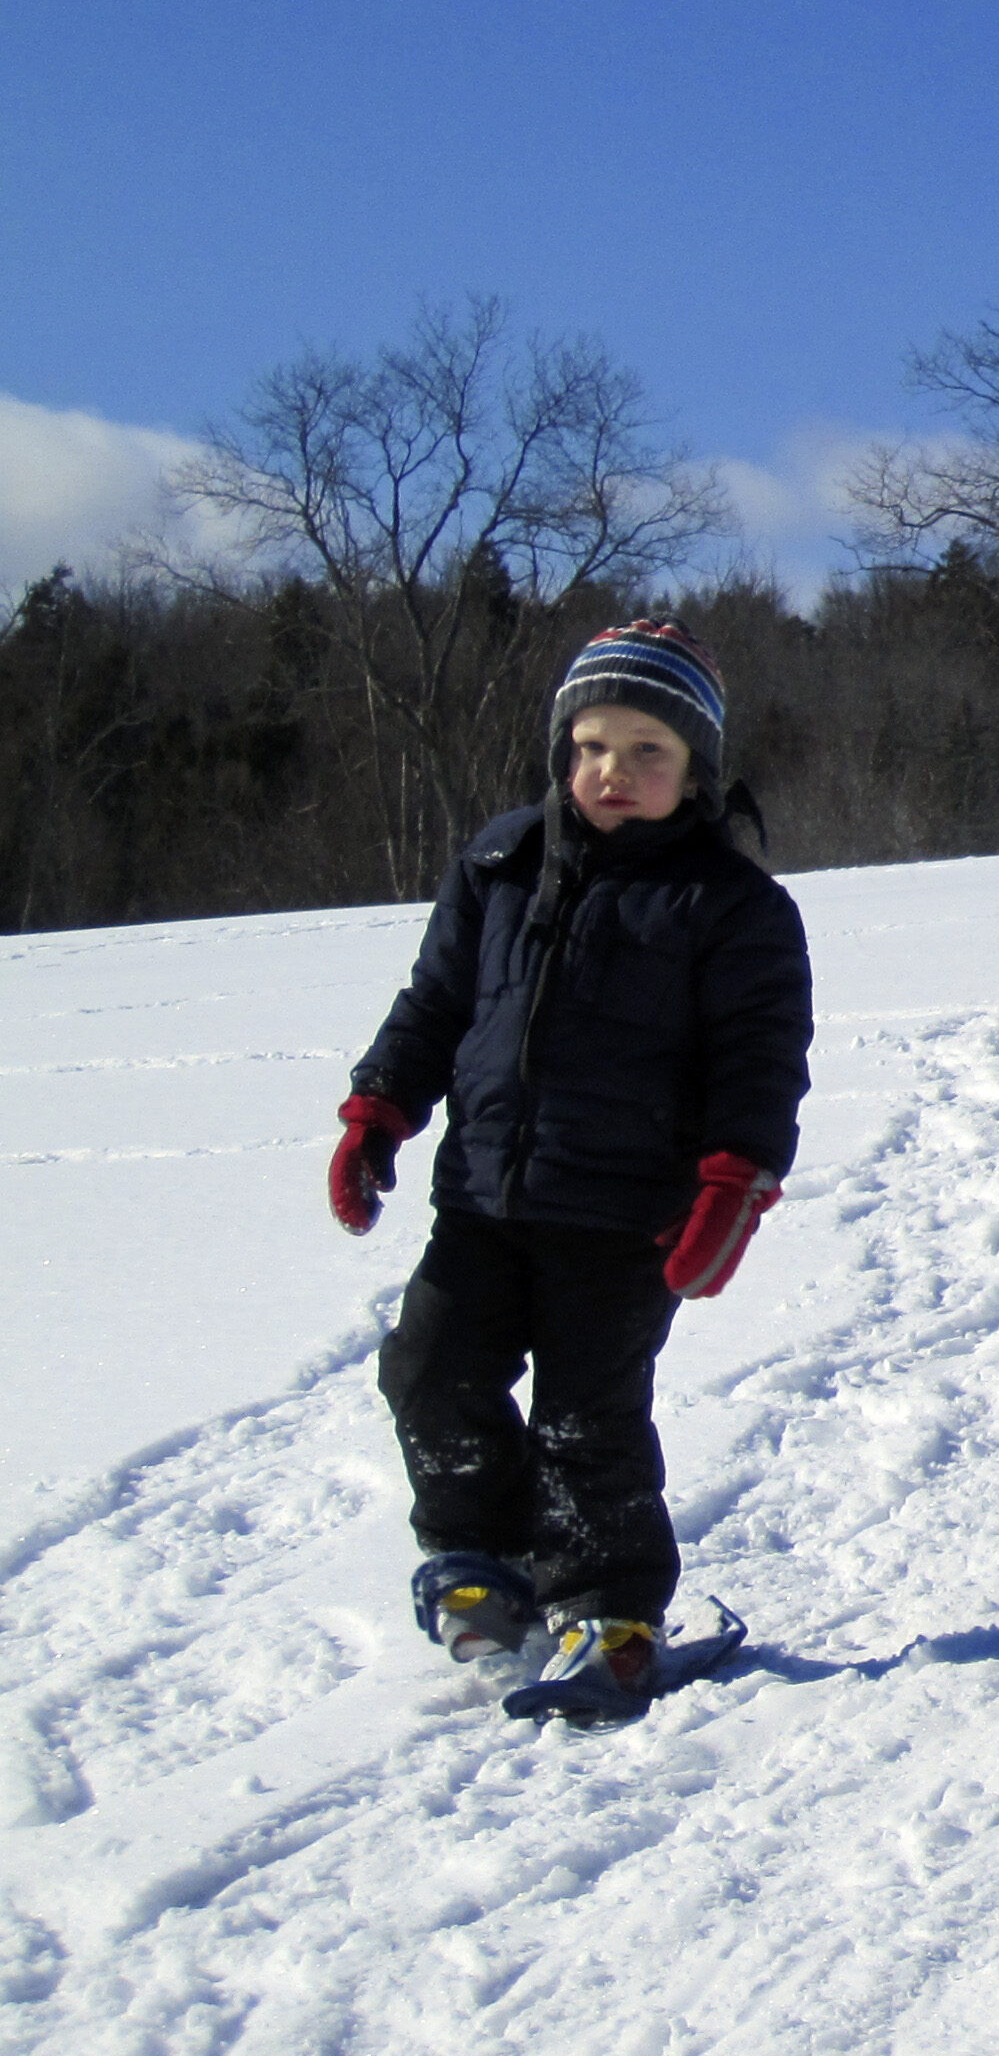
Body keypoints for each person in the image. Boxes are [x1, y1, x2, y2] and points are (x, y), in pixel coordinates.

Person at [329, 621, 811, 1724]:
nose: (614, 772)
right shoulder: (501, 862)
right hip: (485, 1198)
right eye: (593, 744)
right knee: (429, 1369)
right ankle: (481, 1549)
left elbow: (760, 1061)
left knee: (587, 1420)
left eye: (649, 749)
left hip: (625, 1217)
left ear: (695, 768)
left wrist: (732, 1187)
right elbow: (437, 1004)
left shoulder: (731, 905)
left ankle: (609, 1607)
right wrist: (377, 1113)